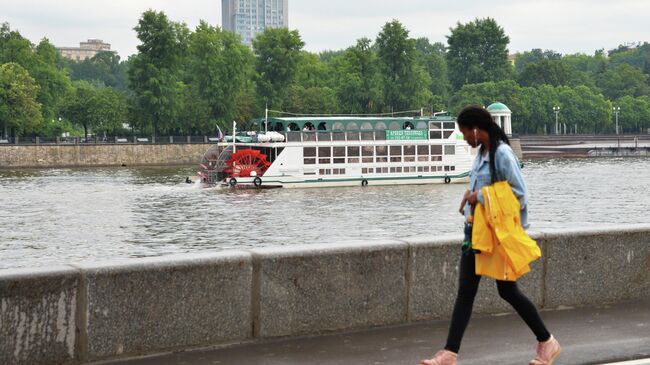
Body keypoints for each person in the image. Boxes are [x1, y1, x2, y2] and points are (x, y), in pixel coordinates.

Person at [420, 105, 561, 365]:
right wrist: (471, 197)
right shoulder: (482, 153)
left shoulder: (502, 154)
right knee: (466, 291)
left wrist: (481, 196)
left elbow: (521, 194)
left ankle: (547, 341)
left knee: (507, 291)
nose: (463, 138)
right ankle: (450, 353)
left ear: (476, 130)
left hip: (495, 237)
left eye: (464, 133)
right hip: (475, 234)